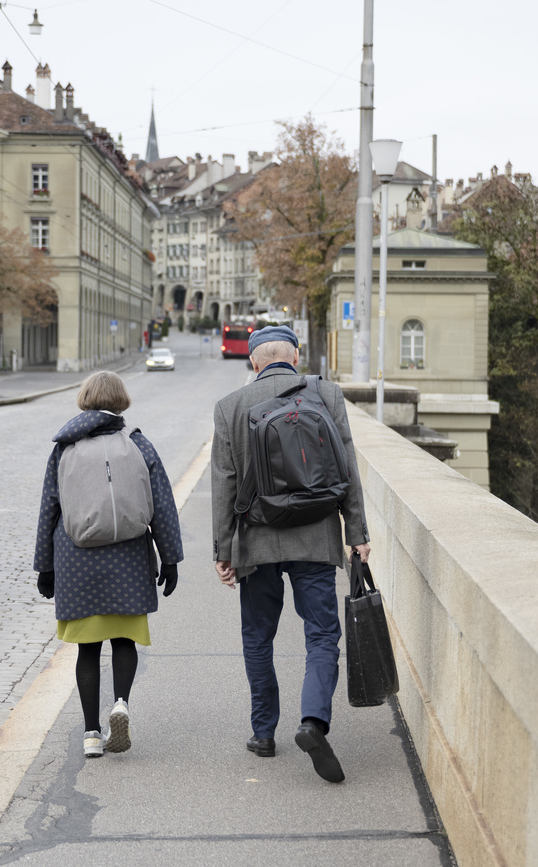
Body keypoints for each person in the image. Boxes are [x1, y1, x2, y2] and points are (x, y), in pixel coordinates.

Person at [211, 325, 370, 783]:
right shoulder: (327, 396)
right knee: (321, 635)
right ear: (295, 358)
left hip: (256, 540)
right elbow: (348, 470)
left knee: (257, 637)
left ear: (254, 363)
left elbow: (223, 483)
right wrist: (356, 532)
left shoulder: (229, 407)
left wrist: (224, 550)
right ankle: (313, 722)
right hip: (316, 536)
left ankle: (263, 733)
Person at [34, 371, 183, 758]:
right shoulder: (137, 443)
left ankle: (90, 733)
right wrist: (170, 559)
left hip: (76, 558)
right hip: (128, 556)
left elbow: (50, 507)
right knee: (123, 640)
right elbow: (162, 504)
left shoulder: (64, 447)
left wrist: (44, 567)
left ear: (84, 398)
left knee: (87, 650)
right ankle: (120, 702)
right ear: (121, 400)